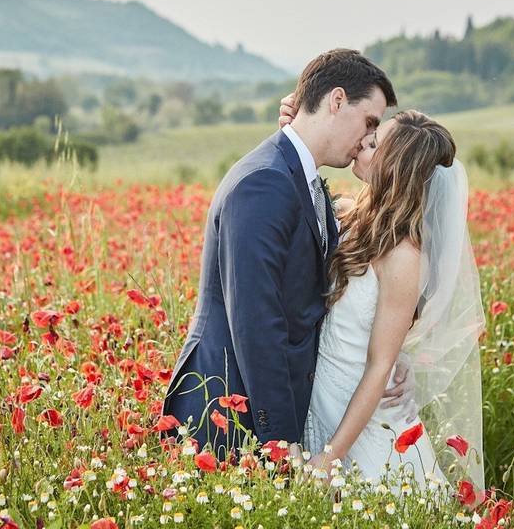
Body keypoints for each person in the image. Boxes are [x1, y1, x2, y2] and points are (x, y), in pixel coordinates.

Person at [162, 49, 417, 458]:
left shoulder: (301, 176)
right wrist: (282, 441)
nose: (369, 138)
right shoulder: (264, 183)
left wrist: (392, 356)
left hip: (271, 409)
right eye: (369, 121)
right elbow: (256, 323)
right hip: (229, 415)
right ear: (336, 101)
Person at [279, 104, 487, 498]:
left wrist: (330, 457)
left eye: (373, 143)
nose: (361, 143)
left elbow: (378, 366)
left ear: (395, 167)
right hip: (325, 393)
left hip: (363, 418)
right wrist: (294, 122)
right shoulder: (347, 214)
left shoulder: (404, 257)